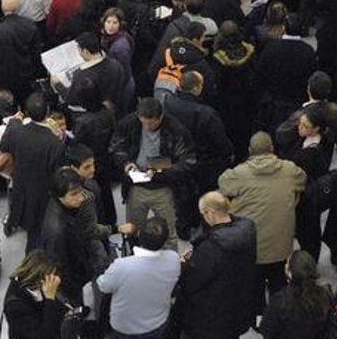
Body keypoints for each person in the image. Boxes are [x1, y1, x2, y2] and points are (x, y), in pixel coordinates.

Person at [218, 132, 306, 315]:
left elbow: (223, 184)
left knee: (253, 285)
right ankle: (278, 314)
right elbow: (302, 180)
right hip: (280, 244)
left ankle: (257, 316)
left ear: (250, 151)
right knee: (278, 284)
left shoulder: (239, 174)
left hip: (251, 246)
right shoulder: (289, 169)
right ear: (272, 149)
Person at [178, 192, 257, 339]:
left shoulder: (210, 248)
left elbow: (192, 282)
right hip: (236, 308)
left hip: (207, 316)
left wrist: (187, 265)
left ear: (211, 213)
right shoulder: (247, 231)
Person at [109, 97, 197, 248]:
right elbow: (116, 148)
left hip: (164, 188)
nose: (148, 127)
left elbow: (188, 162)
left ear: (161, 117)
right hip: (136, 186)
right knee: (133, 230)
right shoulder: (129, 124)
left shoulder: (176, 130)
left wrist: (161, 173)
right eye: (144, 122)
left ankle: (169, 266)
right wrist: (126, 163)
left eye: (152, 123)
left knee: (167, 233)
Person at [96, 217, 181, 339]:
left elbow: (103, 285)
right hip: (158, 322)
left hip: (126, 328)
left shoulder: (122, 266)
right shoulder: (173, 259)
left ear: (140, 235)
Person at [0, 93, 65, 250]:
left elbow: (3, 146)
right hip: (43, 193)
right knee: (37, 232)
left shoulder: (16, 131)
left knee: (25, 221)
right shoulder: (55, 143)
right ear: (48, 111)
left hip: (20, 185)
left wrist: (14, 121)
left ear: (26, 113)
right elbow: (58, 173)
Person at [162, 70, 234, 195]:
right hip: (201, 169)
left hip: (175, 163)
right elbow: (221, 144)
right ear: (196, 88)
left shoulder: (167, 104)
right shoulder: (206, 114)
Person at [257, 250, 331, 339]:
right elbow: (326, 331)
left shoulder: (279, 301)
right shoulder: (325, 297)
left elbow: (267, 330)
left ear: (290, 273)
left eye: (287, 264)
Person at [2, 250, 68, 339]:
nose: (55, 280)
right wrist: (50, 299)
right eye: (51, 276)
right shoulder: (16, 306)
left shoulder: (32, 286)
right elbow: (45, 336)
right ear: (38, 277)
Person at [39, 168, 92, 306]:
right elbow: (61, 268)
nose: (81, 197)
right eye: (74, 194)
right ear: (59, 196)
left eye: (81, 191)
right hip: (69, 283)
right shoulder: (57, 231)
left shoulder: (63, 206)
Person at [0, 0, 42, 104]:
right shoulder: (30, 26)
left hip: (4, 81)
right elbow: (36, 54)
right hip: (26, 76)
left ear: (2, 8)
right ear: (18, 7)